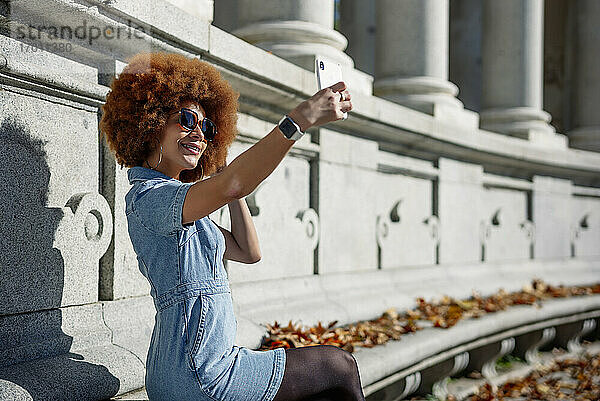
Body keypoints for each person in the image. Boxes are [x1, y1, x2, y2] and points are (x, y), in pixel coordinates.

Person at [99, 52, 364, 401]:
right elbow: (234, 185)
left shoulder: (183, 204)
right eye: (188, 119)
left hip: (201, 364)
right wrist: (300, 119)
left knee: (330, 380)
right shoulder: (151, 198)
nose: (199, 133)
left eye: (207, 128)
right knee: (338, 366)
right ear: (149, 122)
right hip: (198, 370)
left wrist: (225, 178)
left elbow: (248, 251)